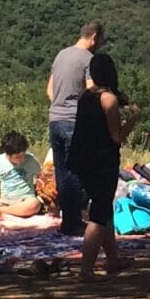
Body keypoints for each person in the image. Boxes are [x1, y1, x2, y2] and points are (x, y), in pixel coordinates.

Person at [67, 52, 139, 283]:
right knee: (98, 216)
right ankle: (86, 270)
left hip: (82, 160)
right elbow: (116, 136)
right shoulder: (108, 99)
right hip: (102, 162)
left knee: (104, 210)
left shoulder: (85, 96)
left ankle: (113, 259)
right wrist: (134, 118)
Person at [47, 20, 103, 228]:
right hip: (73, 120)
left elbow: (50, 89)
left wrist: (59, 103)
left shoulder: (61, 55)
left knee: (62, 172)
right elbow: (91, 89)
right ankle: (75, 222)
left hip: (55, 119)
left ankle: (68, 220)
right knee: (77, 171)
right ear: (94, 37)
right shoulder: (88, 59)